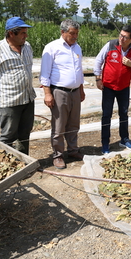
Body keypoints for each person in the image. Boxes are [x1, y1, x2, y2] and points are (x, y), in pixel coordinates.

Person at [0, 17, 37, 155]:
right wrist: (1, 89)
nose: (26, 35)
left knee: (25, 133)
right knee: (8, 136)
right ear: (12, 33)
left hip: (28, 98)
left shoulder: (27, 47)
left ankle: (24, 161)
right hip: (8, 101)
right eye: (23, 33)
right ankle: (9, 166)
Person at [40, 19, 85, 169]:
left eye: (77, 34)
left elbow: (79, 70)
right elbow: (45, 74)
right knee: (59, 126)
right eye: (72, 33)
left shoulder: (77, 48)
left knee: (74, 123)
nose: (75, 37)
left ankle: (73, 150)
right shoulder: (52, 48)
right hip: (59, 92)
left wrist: (81, 89)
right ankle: (58, 155)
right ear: (63, 32)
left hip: (75, 92)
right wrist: (47, 94)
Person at [94, 25, 131, 154]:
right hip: (109, 87)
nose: (121, 39)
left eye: (125, 37)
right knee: (106, 115)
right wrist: (98, 79)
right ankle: (105, 143)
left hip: (124, 87)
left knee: (124, 113)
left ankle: (124, 139)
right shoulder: (110, 45)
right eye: (120, 35)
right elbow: (98, 61)